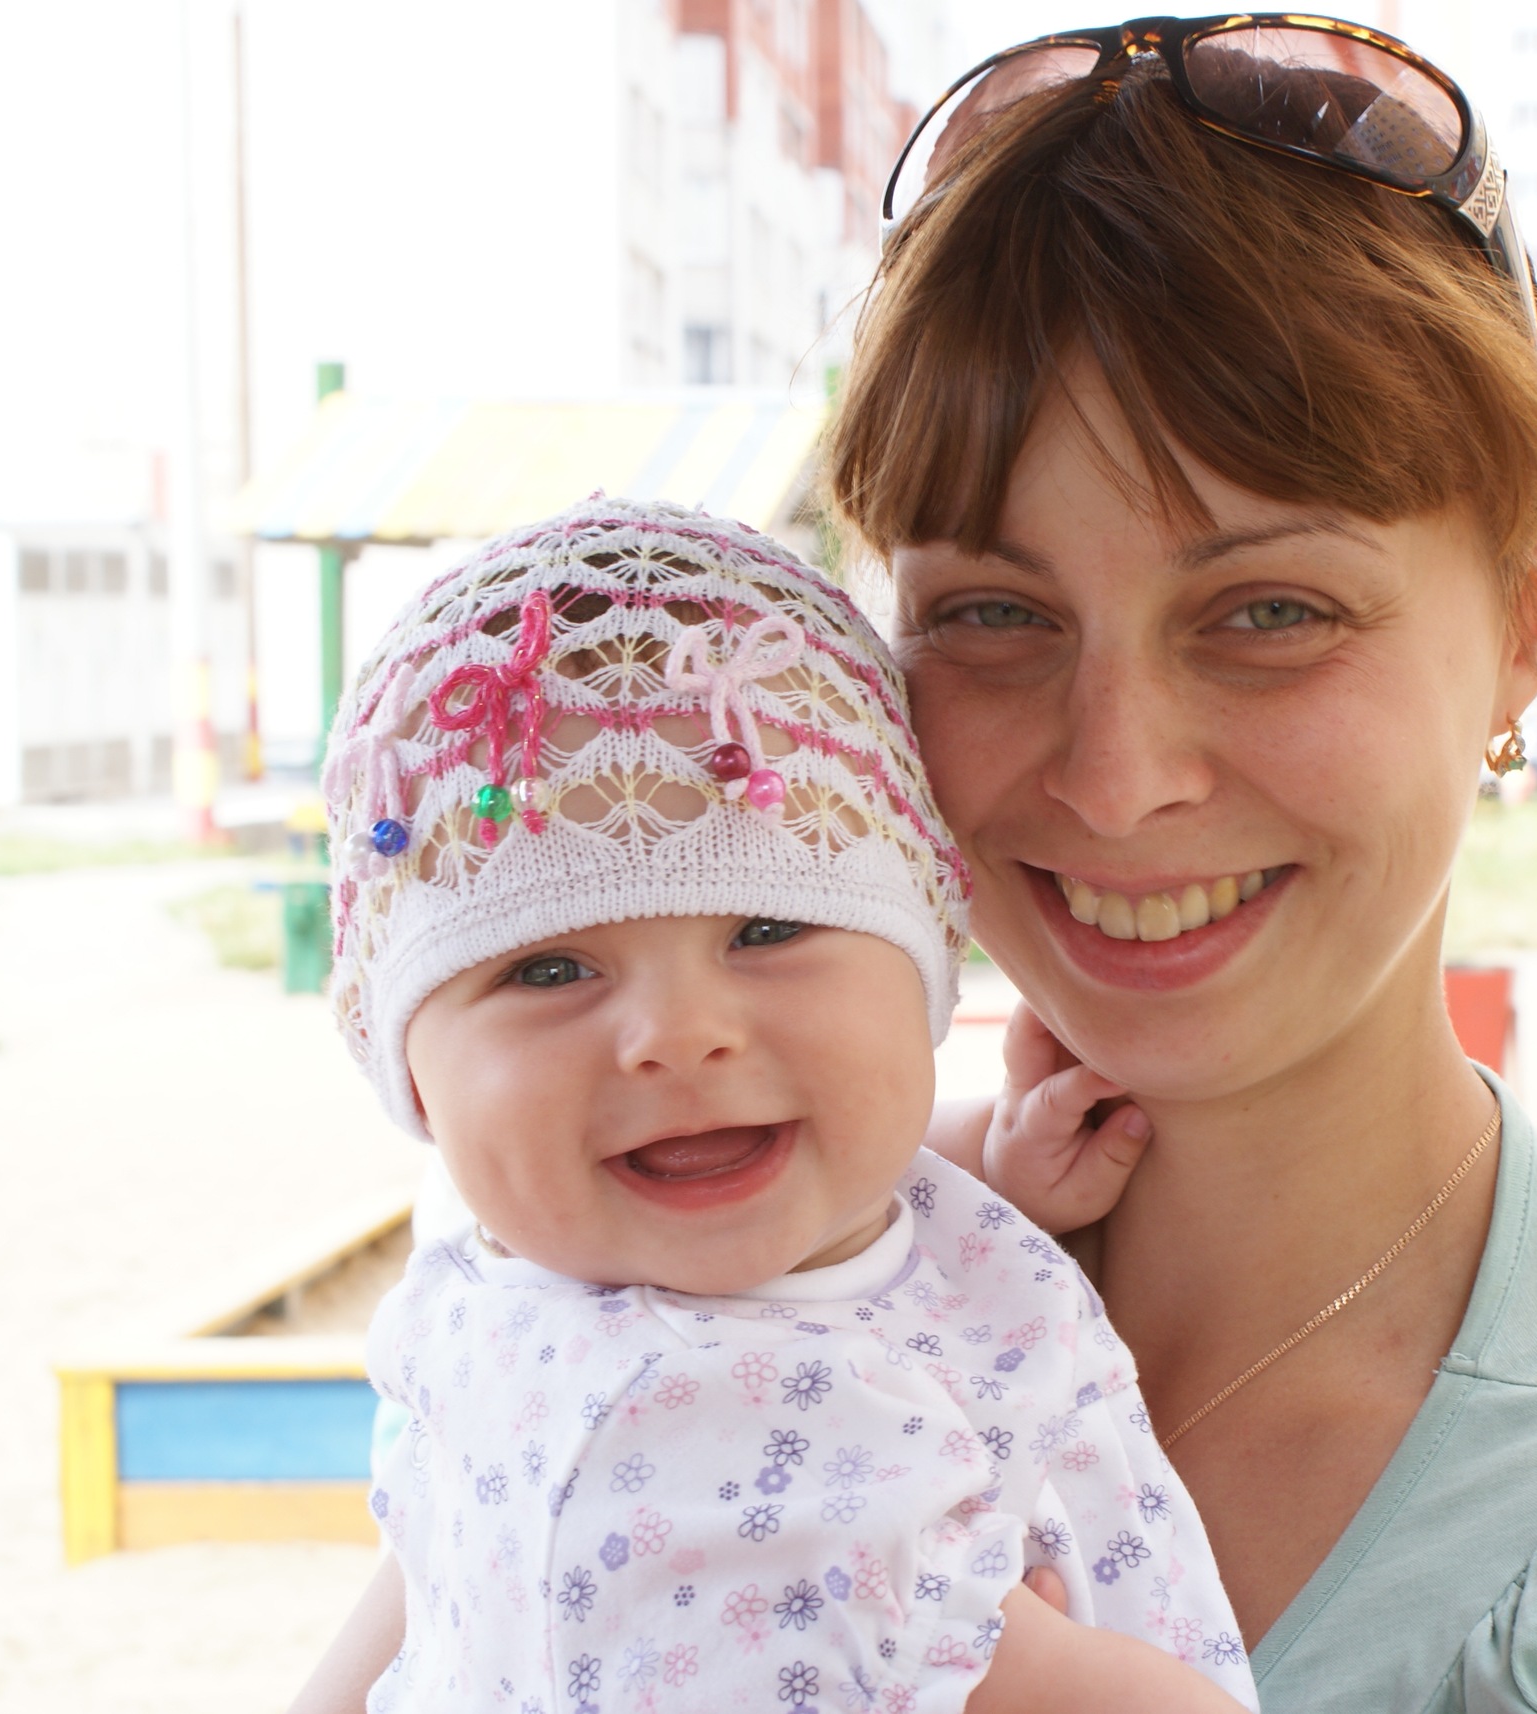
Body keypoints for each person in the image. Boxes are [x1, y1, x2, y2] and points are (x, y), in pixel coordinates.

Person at [830, 16, 1537, 1710]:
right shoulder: (751, 1289)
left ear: (1530, 620)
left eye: (1269, 612)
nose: (1118, 779)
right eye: (995, 615)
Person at [293, 499, 1257, 1712]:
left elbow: (418, 1589)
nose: (679, 1035)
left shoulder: (504, 1285)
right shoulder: (725, 1438)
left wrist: (983, 1160)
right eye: (548, 969)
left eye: (765, 930)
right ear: (412, 1074)